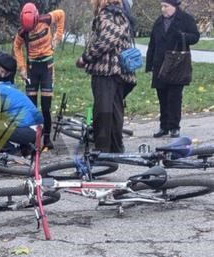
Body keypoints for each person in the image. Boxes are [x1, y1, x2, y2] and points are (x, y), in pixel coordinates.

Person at [75, 0, 136, 153]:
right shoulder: (121, 14)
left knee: (103, 112)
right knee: (115, 111)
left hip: (106, 70)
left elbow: (107, 40)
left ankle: (102, 149)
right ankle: (116, 147)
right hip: (120, 71)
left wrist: (85, 58)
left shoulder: (107, 14)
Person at [13, 3, 65, 149]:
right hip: (32, 69)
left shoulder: (46, 19)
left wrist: (58, 36)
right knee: (31, 106)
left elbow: (61, 14)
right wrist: (22, 67)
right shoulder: (22, 32)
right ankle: (30, 138)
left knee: (46, 107)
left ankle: (47, 138)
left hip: (47, 67)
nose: (32, 30)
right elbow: (16, 46)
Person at [146, 0, 200, 138]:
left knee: (175, 97)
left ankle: (174, 126)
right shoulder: (158, 21)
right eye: (161, 6)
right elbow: (152, 44)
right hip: (160, 65)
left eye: (166, 6)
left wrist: (183, 36)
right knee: (162, 97)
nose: (163, 9)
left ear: (174, 7)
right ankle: (164, 126)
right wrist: (149, 64)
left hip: (177, 63)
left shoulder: (186, 19)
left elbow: (195, 37)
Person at [0, 80, 44, 155]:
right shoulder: (10, 89)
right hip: (38, 129)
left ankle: (12, 153)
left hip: (28, 131)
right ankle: (26, 149)